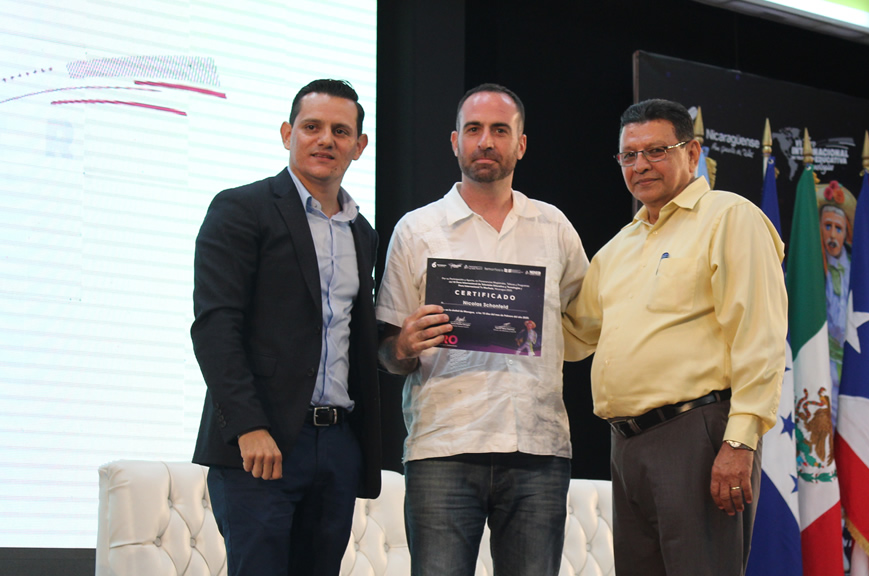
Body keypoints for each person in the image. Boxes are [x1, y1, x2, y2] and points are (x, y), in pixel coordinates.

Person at [563, 99, 787, 576]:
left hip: (698, 437)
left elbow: (760, 336)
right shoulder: (617, 248)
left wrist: (740, 442)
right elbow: (573, 337)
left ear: (693, 152)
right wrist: (489, 315)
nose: (641, 164)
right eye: (629, 155)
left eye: (656, 150)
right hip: (626, 446)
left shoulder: (729, 217)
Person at [375, 83, 588, 576]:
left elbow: (586, 320)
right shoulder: (416, 230)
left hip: (538, 448)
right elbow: (386, 351)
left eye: (499, 130)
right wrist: (404, 345)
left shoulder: (554, 227)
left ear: (521, 144)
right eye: (474, 130)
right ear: (455, 141)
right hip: (444, 447)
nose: (486, 141)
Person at [191, 79, 382, 576]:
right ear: (286, 133)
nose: (326, 140)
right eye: (311, 127)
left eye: (341, 131)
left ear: (359, 147)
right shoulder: (241, 209)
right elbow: (215, 326)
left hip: (338, 444)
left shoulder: (363, 232)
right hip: (263, 444)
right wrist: (249, 426)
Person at [817, 180, 856, 397]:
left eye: (838, 228)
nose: (832, 235)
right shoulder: (813, 266)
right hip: (820, 362)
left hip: (852, 362)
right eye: (828, 226)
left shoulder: (856, 269)